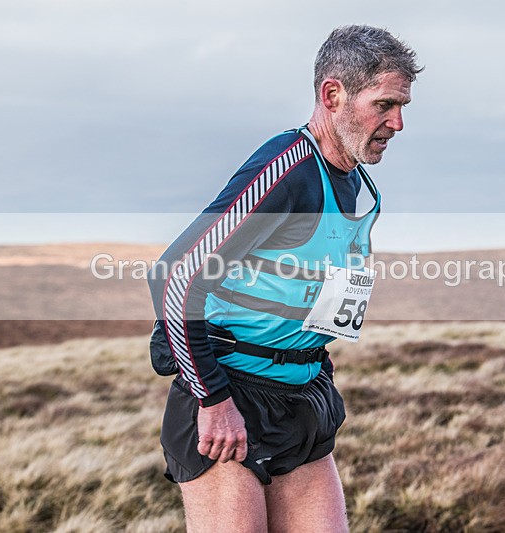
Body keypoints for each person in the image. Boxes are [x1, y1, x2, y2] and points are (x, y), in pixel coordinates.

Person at [148, 25, 422, 532]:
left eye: (403, 106)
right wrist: (213, 400)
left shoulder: (357, 185)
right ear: (332, 94)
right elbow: (176, 274)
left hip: (300, 401)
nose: (398, 122)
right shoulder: (288, 169)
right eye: (384, 104)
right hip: (229, 399)